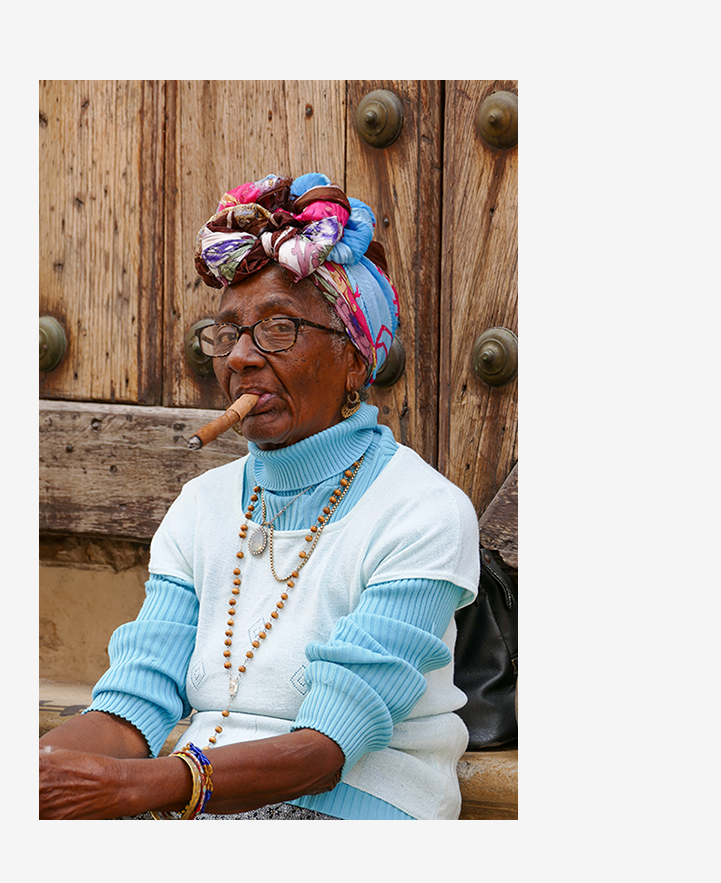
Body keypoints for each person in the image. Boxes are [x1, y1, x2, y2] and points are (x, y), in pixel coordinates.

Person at [39, 172, 480, 820]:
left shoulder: (422, 511)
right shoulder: (201, 506)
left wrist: (136, 789)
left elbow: (326, 749)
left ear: (356, 359)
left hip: (351, 808)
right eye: (228, 333)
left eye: (278, 329)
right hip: (200, 802)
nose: (241, 358)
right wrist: (45, 769)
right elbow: (134, 703)